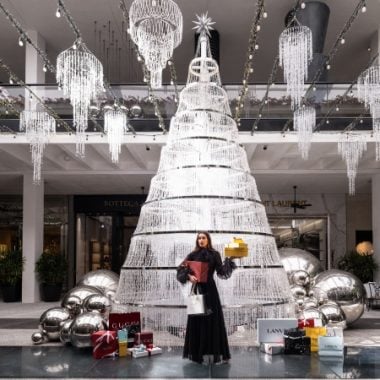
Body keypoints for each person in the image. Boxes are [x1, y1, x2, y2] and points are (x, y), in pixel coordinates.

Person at [176, 231, 236, 364]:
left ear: (208, 240)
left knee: (213, 320)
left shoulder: (215, 254)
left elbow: (221, 272)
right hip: (197, 290)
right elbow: (180, 269)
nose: (201, 240)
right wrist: (189, 276)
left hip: (211, 290)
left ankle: (216, 352)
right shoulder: (192, 255)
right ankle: (199, 353)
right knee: (198, 320)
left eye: (203, 238)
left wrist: (229, 260)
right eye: (199, 238)